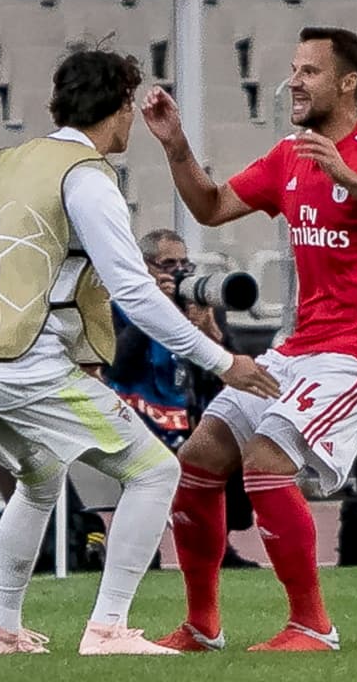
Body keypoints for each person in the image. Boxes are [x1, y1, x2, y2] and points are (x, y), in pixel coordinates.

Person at [0, 48, 279, 657]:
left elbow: (33, 268)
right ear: (120, 107)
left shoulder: (16, 160)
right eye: (129, 105)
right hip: (24, 366)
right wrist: (224, 362)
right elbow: (137, 295)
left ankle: (2, 630)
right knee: (156, 471)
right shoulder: (89, 180)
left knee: (39, 480)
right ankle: (108, 629)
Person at [141, 26, 357, 652]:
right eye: (293, 69)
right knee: (200, 457)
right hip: (300, 348)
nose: (293, 82)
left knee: (267, 462)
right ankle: (201, 624)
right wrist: (176, 147)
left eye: (309, 72)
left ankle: (313, 625)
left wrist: (352, 180)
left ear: (347, 82)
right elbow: (212, 207)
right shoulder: (289, 154)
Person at [104, 229, 259, 570]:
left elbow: (231, 367)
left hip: (186, 410)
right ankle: (140, 556)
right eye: (168, 263)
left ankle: (219, 547)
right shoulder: (121, 303)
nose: (178, 272)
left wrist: (210, 331)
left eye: (183, 263)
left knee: (220, 459)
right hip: (135, 408)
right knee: (145, 483)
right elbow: (119, 365)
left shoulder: (196, 302)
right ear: (144, 266)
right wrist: (154, 309)